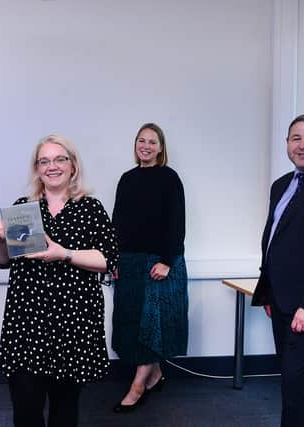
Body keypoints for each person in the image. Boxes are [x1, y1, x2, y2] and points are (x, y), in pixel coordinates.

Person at [0, 134, 119, 427]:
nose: (52, 166)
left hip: (73, 324)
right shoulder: (24, 208)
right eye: (44, 161)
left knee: (64, 411)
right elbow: (4, 260)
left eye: (60, 159)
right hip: (28, 323)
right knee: (26, 411)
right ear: (37, 169)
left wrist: (65, 254)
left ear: (73, 166)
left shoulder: (90, 208)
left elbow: (108, 259)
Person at [252, 113, 304, 427]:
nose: (302, 145)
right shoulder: (281, 185)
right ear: (287, 144)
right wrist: (269, 290)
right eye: (296, 138)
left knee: (294, 383)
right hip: (282, 302)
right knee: (302, 381)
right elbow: (275, 239)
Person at [110, 122, 188, 413]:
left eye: (152, 142)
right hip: (128, 262)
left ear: (161, 147)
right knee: (131, 322)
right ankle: (155, 373)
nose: (146, 146)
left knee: (150, 324)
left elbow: (177, 222)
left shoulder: (170, 178)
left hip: (159, 262)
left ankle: (138, 386)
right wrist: (113, 260)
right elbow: (117, 222)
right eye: (141, 140)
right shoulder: (127, 179)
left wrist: (167, 261)